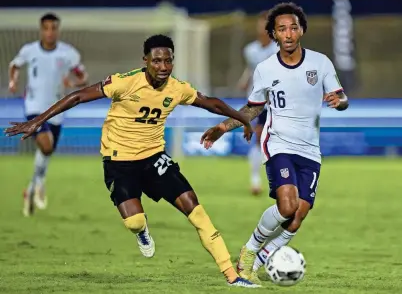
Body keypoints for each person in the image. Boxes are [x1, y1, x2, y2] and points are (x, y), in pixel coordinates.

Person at [5, 34, 260, 288]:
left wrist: (243, 119)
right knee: (134, 221)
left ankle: (232, 275)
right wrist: (37, 121)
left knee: (195, 209)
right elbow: (78, 96)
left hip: (154, 158)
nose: (163, 67)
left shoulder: (177, 88)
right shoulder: (124, 83)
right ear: (145, 60)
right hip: (119, 162)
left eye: (168, 61)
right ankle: (142, 231)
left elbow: (211, 103)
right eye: (157, 61)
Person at [200, 2, 349, 284]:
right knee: (288, 205)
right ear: (274, 34)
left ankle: (258, 261)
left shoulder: (321, 63)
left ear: (302, 30)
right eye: (282, 29)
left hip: (310, 149)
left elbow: (342, 98)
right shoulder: (265, 68)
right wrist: (223, 126)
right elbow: (253, 108)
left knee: (299, 215)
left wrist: (338, 101)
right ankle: (249, 250)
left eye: (293, 27)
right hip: (278, 142)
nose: (289, 33)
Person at [8, 12, 88, 216]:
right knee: (46, 145)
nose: (50, 32)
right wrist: (13, 81)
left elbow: (83, 77)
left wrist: (75, 83)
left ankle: (32, 187)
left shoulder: (68, 53)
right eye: (46, 28)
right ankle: (40, 184)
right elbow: (14, 65)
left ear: (57, 30)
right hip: (34, 107)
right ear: (41, 29)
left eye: (54, 28)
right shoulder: (29, 50)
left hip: (57, 109)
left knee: (46, 151)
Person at [237, 11, 279, 195]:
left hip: (278, 102)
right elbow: (251, 67)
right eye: (260, 25)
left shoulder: (279, 49)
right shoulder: (250, 50)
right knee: (259, 137)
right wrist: (245, 79)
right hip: (259, 101)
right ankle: (255, 179)